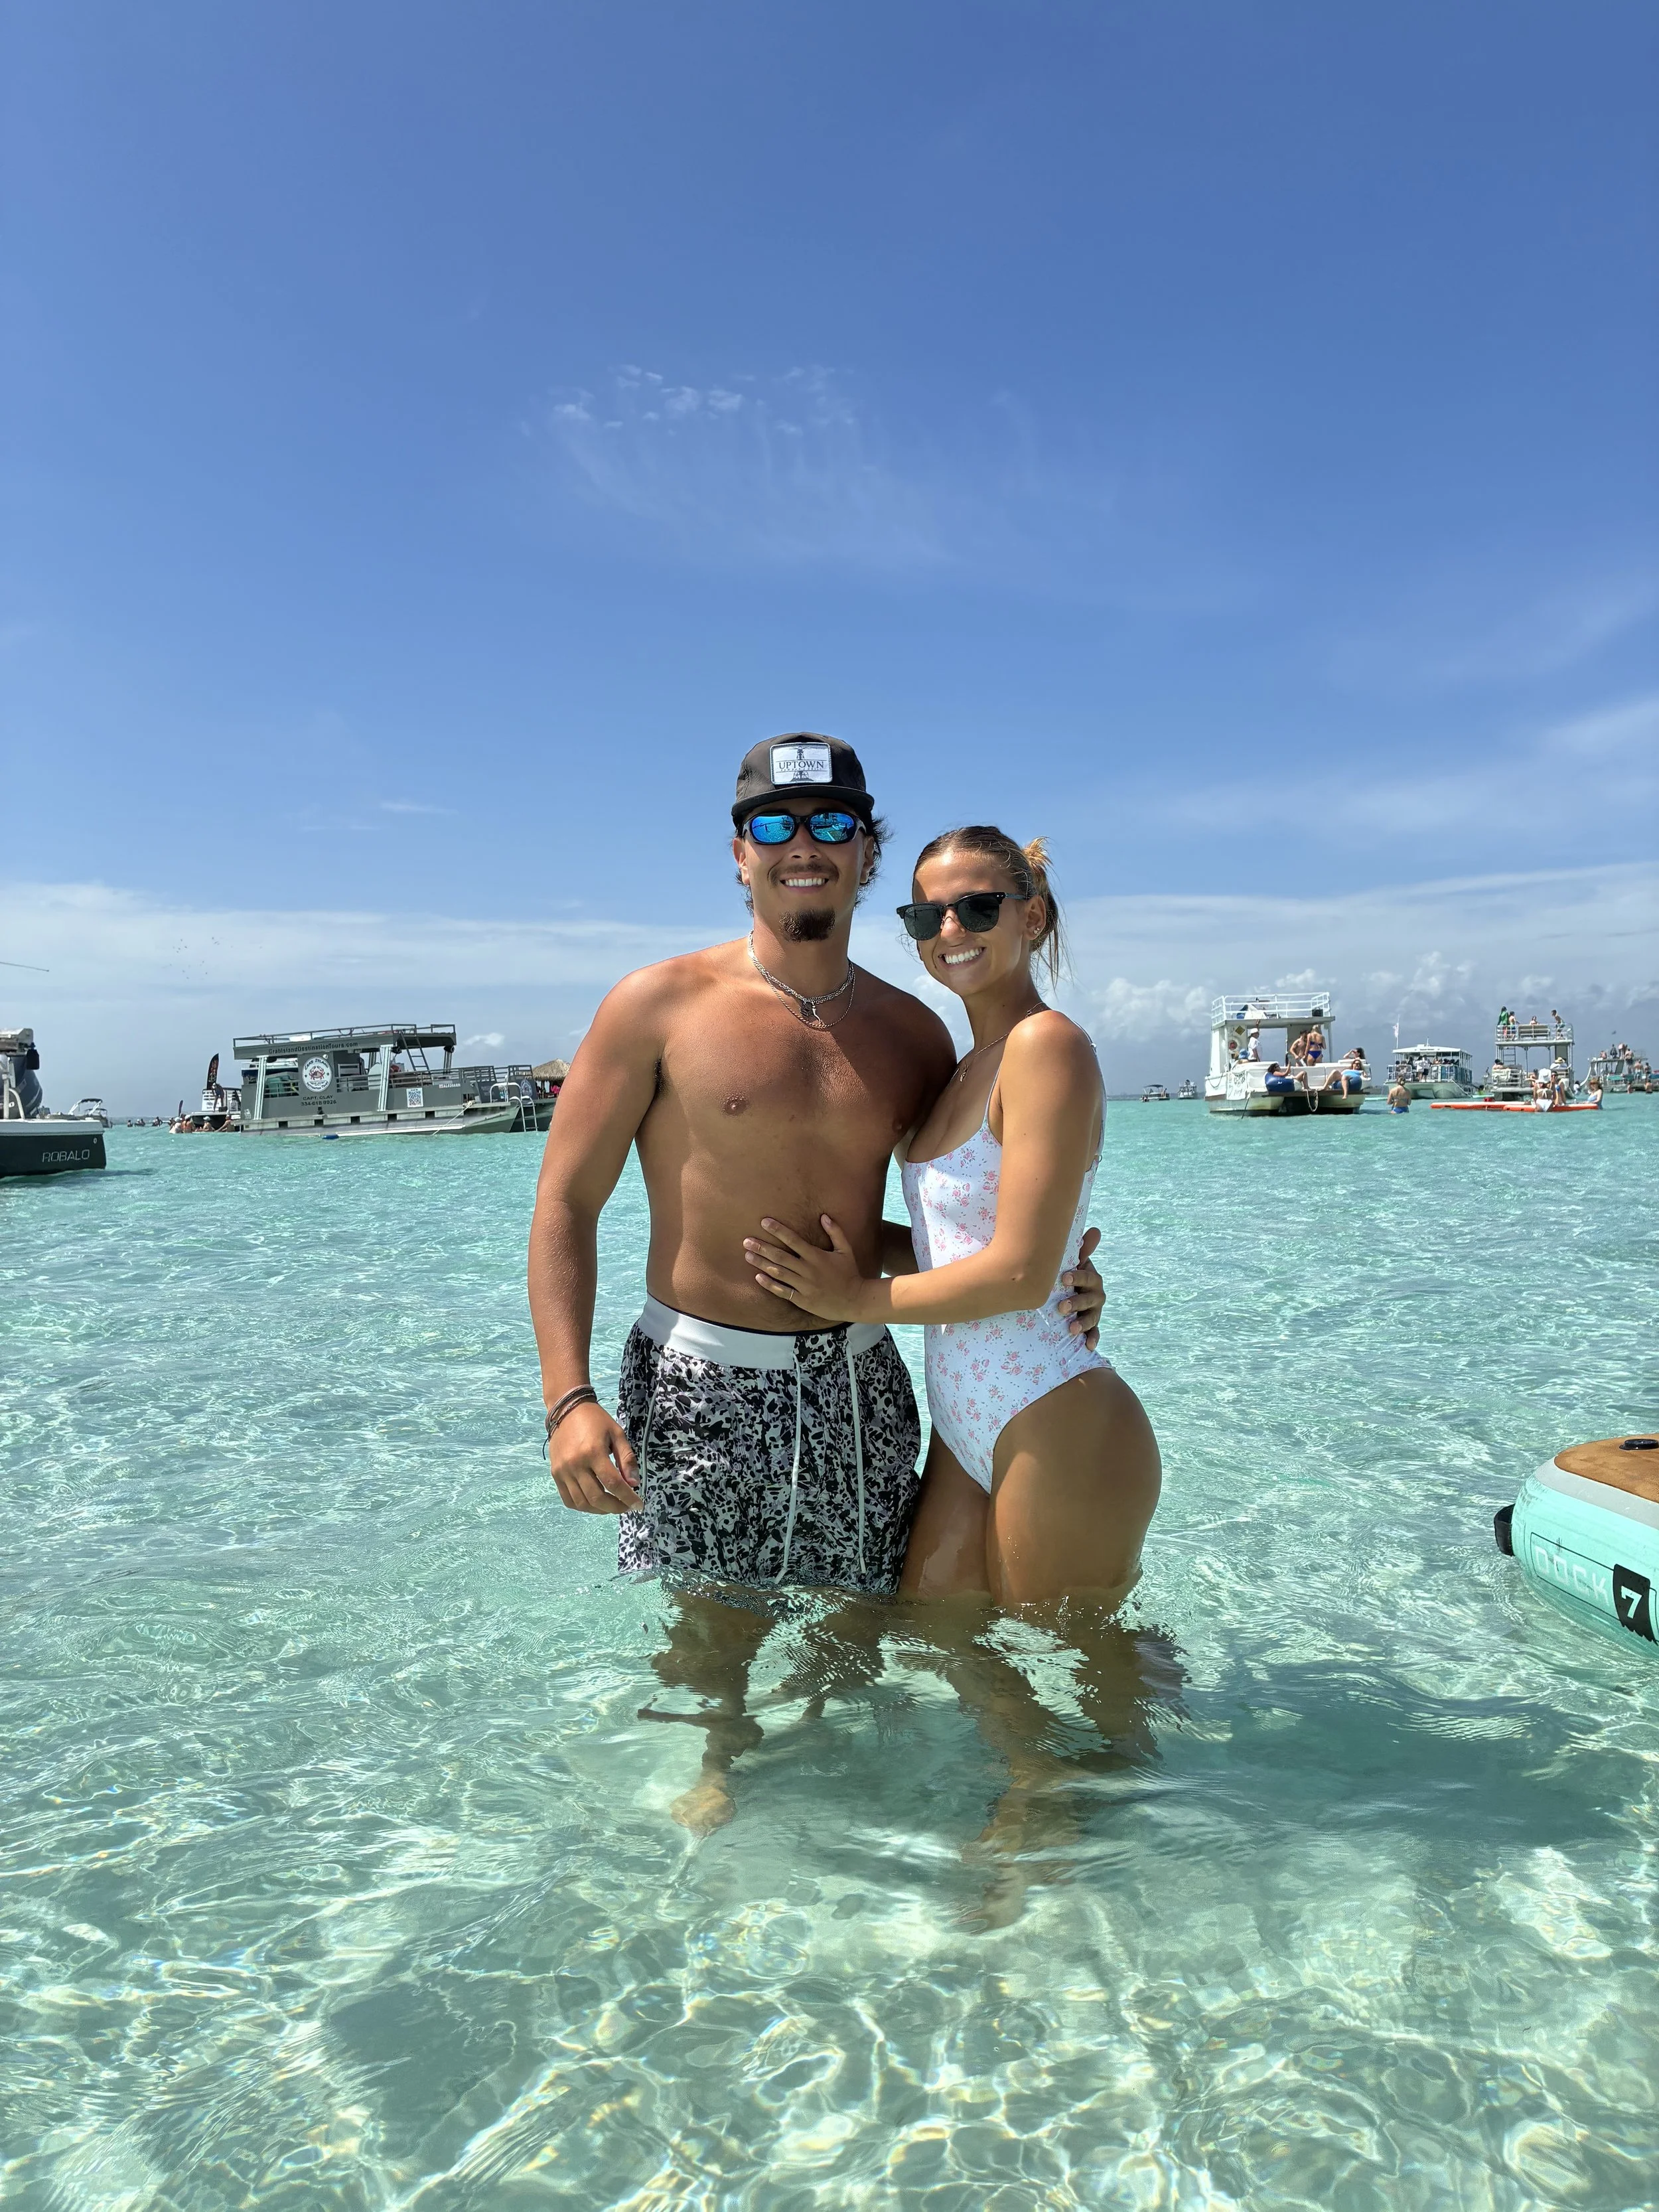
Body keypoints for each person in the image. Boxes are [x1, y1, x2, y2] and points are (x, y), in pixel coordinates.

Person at [528, 739, 1106, 1830]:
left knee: (864, 1613)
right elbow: (565, 1203)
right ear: (740, 853)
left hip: (858, 1378)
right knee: (711, 1621)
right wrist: (568, 1398)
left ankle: (863, 1775)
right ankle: (720, 1757)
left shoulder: (911, 1031)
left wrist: (1060, 1279)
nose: (807, 846)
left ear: (866, 852)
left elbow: (965, 1209)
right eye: (780, 825)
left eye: (834, 824)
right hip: (700, 1370)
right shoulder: (656, 1004)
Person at [741, 824, 1161, 1613]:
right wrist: (836, 1251)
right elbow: (956, 1245)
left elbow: (1019, 1273)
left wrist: (855, 1299)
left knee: (1085, 1686)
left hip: (1054, 1407)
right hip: (966, 1422)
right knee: (949, 1654)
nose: (949, 933)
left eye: (975, 908)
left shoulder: (1048, 1046)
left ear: (1029, 918)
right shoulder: (966, 1065)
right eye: (924, 917)